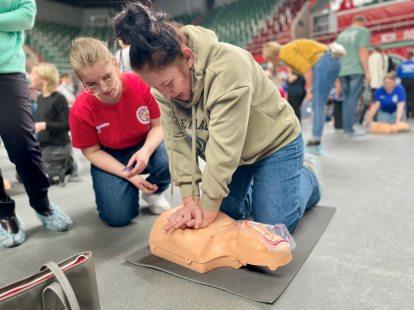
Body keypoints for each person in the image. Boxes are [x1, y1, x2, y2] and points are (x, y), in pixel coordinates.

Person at [113, 0, 323, 233]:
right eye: (156, 88)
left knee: (273, 226)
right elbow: (178, 145)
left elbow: (224, 149)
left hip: (274, 145)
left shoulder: (228, 68)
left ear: (189, 57)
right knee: (229, 215)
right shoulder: (162, 89)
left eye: (168, 84)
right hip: (236, 156)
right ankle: (264, 187)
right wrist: (191, 200)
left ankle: (308, 176)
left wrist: (206, 210)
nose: (166, 95)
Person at [69, 37, 171, 227]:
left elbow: (159, 126)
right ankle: (126, 190)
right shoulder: (80, 111)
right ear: (81, 82)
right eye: (92, 84)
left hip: (144, 143)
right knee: (117, 217)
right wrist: (128, 175)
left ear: (115, 64)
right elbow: (91, 151)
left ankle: (155, 192)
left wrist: (146, 151)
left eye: (107, 76)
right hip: (111, 154)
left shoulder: (141, 85)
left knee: (169, 153)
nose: (104, 88)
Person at [0, 0, 72, 248]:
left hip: (7, 70)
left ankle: (42, 205)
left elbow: (27, 14)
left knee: (24, 146)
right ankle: (4, 214)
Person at [262, 39, 341, 156]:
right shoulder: (288, 51)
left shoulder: (284, 53)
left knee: (317, 104)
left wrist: (310, 90)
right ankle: (316, 140)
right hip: (333, 60)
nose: (272, 63)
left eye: (270, 59)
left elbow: (307, 70)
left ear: (273, 56)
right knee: (320, 103)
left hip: (324, 61)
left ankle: (315, 141)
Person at [29, 63, 73, 184]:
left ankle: (64, 167)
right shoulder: (40, 98)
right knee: (23, 173)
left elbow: (67, 125)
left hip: (57, 147)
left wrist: (43, 125)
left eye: (33, 74)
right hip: (44, 146)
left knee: (35, 178)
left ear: (43, 79)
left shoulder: (59, 98)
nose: (30, 77)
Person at [335, 15, 371, 137]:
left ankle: (346, 127)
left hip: (343, 71)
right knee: (353, 100)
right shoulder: (363, 31)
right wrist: (367, 71)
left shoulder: (341, 35)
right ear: (362, 22)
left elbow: (336, 54)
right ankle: (349, 129)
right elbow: (362, 51)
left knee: (346, 100)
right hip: (356, 69)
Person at [396, 51, 414, 119]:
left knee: (404, 98)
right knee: (412, 98)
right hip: (412, 81)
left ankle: (406, 114)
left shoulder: (402, 64)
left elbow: (398, 74)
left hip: (404, 81)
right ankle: (412, 114)